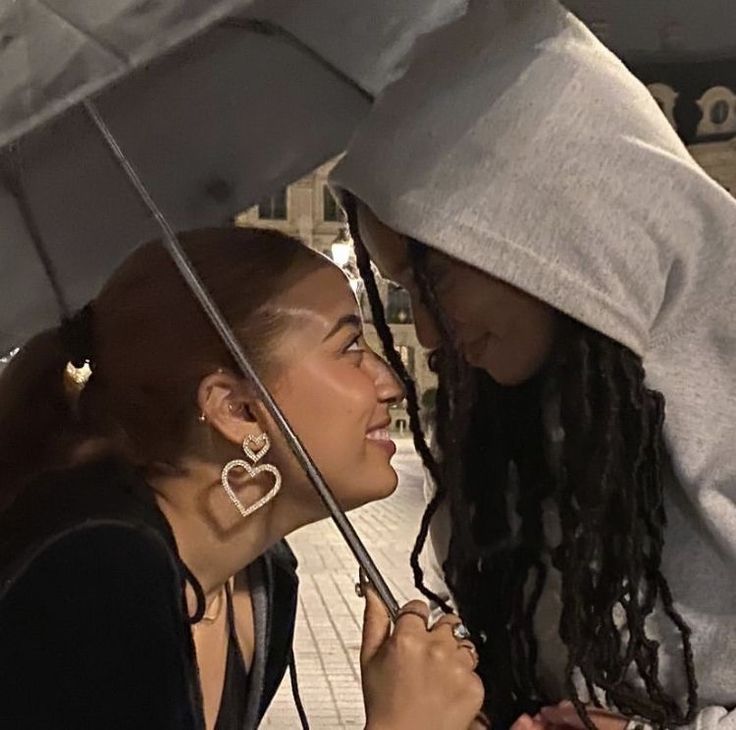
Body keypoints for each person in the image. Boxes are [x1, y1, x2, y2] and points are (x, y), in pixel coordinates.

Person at [329, 1, 736, 729]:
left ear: (549, 223)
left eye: (436, 280)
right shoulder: (505, 439)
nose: (425, 334)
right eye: (404, 295)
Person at [0, 227, 484, 729]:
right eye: (351, 348)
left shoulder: (259, 584)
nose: (391, 385)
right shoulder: (92, 583)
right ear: (236, 409)